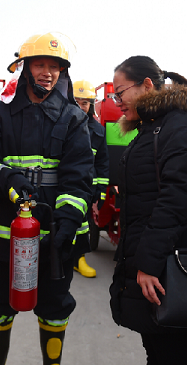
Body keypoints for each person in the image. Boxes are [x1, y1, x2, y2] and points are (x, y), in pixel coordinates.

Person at [0, 32, 94, 365]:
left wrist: (68, 221)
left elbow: (78, 176)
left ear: (62, 73)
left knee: (55, 309)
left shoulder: (74, 119)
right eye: (40, 64)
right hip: (2, 236)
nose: (47, 72)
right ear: (24, 68)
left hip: (56, 239)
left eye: (55, 66)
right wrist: (11, 181)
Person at [108, 56, 187, 364]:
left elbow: (177, 198)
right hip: (151, 258)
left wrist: (149, 264)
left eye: (120, 92)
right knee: (158, 349)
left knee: (171, 353)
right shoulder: (152, 126)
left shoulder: (176, 125)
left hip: (165, 264)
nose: (117, 101)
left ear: (147, 85)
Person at [72, 80, 110, 278]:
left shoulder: (98, 131)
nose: (80, 106)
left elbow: (102, 163)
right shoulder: (58, 124)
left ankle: (79, 259)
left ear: (91, 105)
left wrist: (101, 190)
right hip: (60, 186)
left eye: (85, 102)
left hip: (85, 188)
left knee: (82, 224)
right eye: (76, 101)